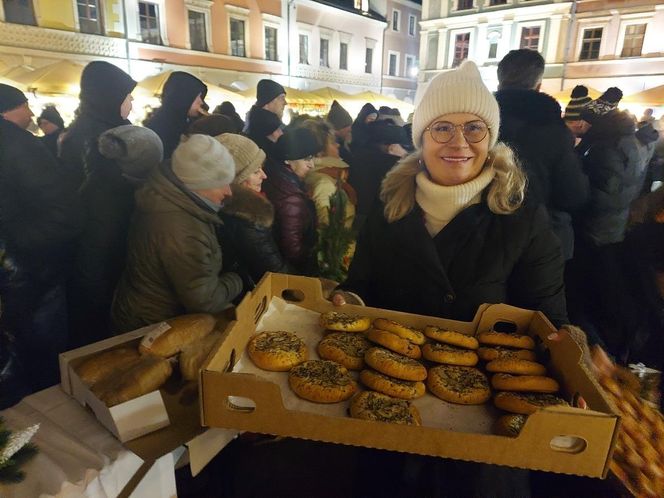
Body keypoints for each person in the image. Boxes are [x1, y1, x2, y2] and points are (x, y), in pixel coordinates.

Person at [332, 59, 569, 497]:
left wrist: (571, 349)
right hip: (390, 412)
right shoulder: (389, 209)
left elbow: (547, 317)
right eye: (442, 127)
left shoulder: (522, 219)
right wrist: (349, 299)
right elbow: (362, 285)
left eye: (474, 128)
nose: (458, 142)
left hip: (483, 429)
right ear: (421, 137)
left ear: (491, 138)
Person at [0, 84, 82, 401]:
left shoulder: (18, 145)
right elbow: (67, 215)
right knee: (41, 370)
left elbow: (62, 213)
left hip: (26, 273)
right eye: (25, 105)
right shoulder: (17, 144)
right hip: (30, 277)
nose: (31, 113)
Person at [111, 134, 243, 332]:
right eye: (220, 183)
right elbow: (204, 301)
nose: (228, 192)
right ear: (196, 184)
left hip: (143, 308)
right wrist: (237, 279)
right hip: (154, 324)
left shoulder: (173, 196)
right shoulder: (180, 229)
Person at [569, 88, 648, 359]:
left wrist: (577, 187)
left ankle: (598, 344)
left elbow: (603, 194)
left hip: (594, 229)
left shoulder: (605, 148)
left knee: (585, 287)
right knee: (599, 285)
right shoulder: (630, 142)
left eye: (587, 122)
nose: (583, 126)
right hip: (613, 228)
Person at [68, 126, 163, 347]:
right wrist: (102, 308)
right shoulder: (110, 202)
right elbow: (93, 264)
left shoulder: (105, 179)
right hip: (99, 300)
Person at [495, 49, 589, 262]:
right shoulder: (555, 130)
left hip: (486, 235)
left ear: (499, 80)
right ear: (538, 84)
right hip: (543, 237)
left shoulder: (478, 123)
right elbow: (572, 195)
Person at [216, 133, 293, 286]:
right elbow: (277, 274)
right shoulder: (248, 217)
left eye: (262, 168)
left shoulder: (222, 207)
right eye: (256, 171)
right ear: (236, 177)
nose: (264, 176)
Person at [60, 61, 136, 187]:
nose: (132, 100)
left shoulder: (112, 125)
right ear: (111, 97)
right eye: (127, 95)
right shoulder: (94, 135)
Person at [263, 127, 322, 275]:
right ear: (288, 158)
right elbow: (293, 250)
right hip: (292, 274)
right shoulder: (291, 198)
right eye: (306, 158)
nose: (312, 165)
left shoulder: (274, 176)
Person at [349, 120, 409, 231]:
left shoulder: (359, 155)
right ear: (391, 146)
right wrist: (404, 156)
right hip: (380, 219)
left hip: (357, 214)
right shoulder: (391, 163)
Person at [144, 71, 207, 159]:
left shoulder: (180, 123)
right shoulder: (162, 128)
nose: (201, 102)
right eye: (198, 97)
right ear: (184, 97)